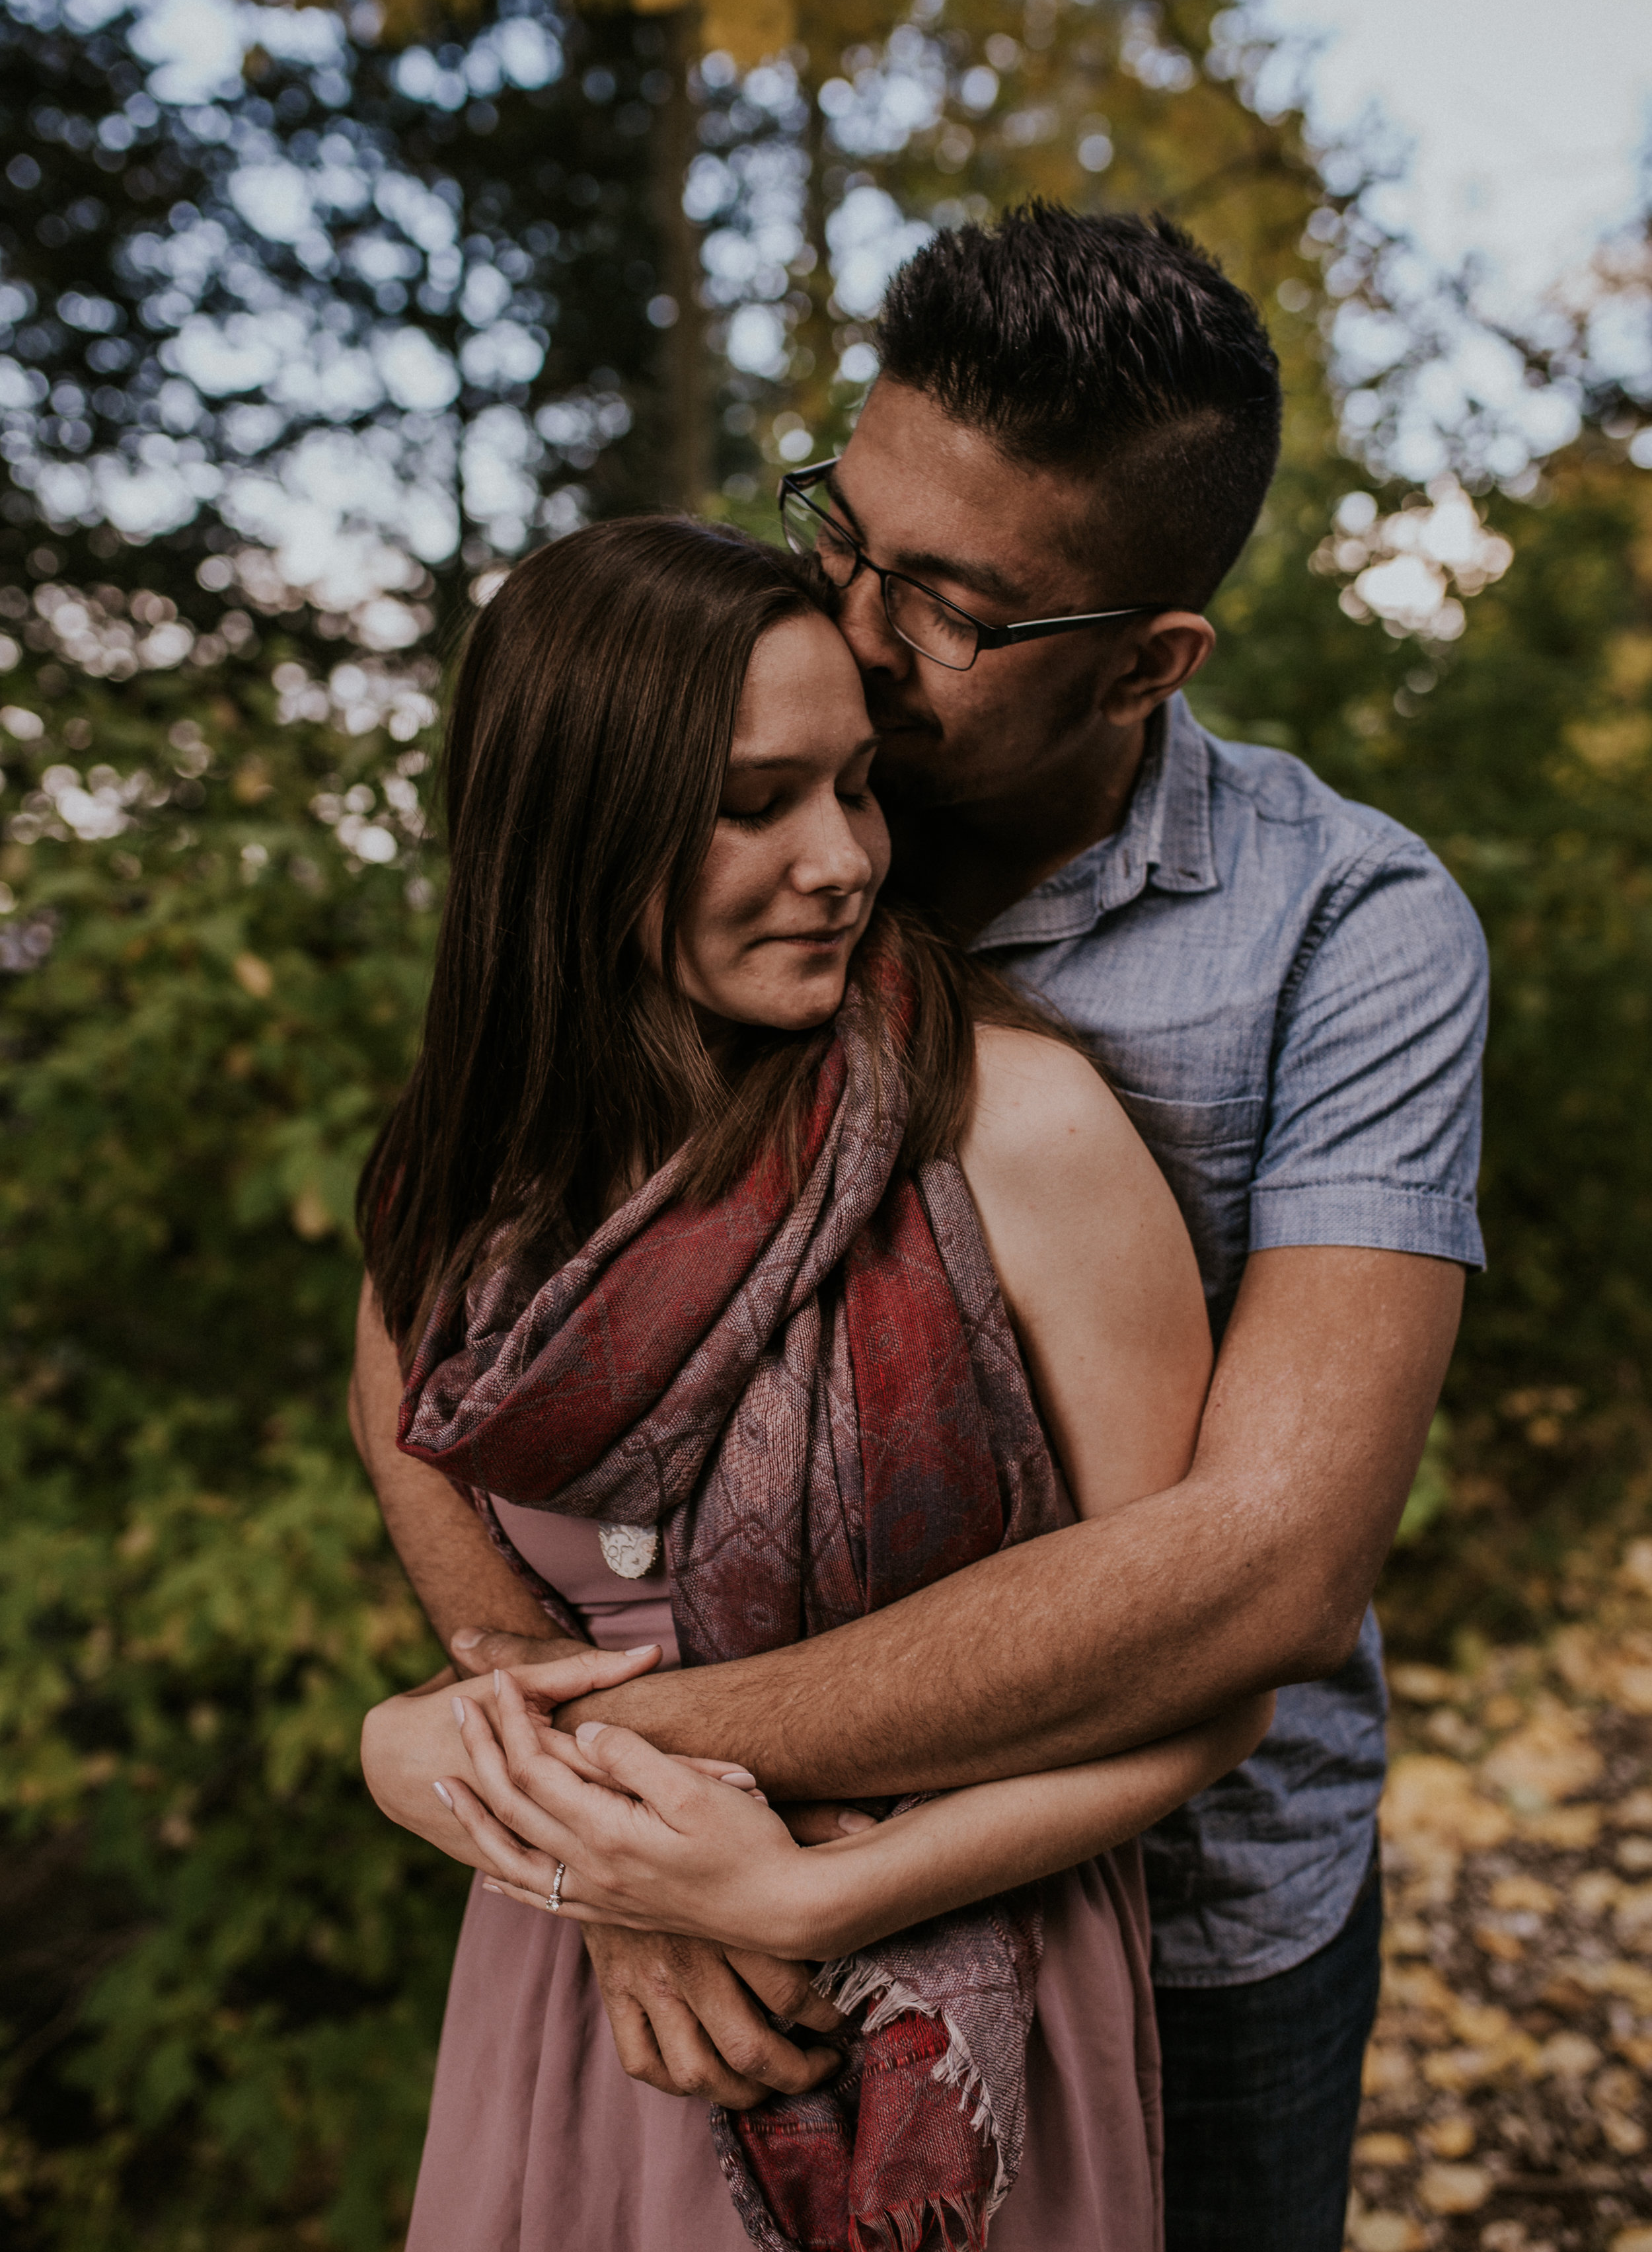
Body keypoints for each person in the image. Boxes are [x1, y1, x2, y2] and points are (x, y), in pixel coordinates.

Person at [352, 206, 1488, 2251]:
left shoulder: (1347, 936)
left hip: (1177, 1909)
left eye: (948, 606)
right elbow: (439, 1314)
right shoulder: (745, 767)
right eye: (843, 536)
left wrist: (619, 1781)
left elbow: (1265, 1571)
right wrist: (587, 1808)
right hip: (652, 1904)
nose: (858, 627)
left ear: (1146, 657)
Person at [355, 511, 1271, 2252]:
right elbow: (455, 1555)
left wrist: (801, 1885)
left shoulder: (1016, 1128)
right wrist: (602, 1880)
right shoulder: (459, 1188)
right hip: (594, 2010)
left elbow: (1198, 1678)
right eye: (755, 799)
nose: (844, 857)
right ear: (570, 827)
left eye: (854, 785)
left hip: (947, 1999)